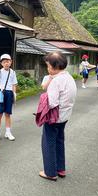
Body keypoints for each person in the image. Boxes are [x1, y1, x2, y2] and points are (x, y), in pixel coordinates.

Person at [39, 52, 77, 181]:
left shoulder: (56, 81)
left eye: (48, 65)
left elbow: (52, 102)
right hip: (65, 116)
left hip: (54, 117)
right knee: (59, 141)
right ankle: (60, 169)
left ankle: (50, 172)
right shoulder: (69, 78)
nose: (47, 68)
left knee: (48, 142)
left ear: (53, 66)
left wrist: (44, 99)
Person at [0, 54, 17, 141]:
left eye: (8, 61)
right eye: (4, 62)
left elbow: (14, 85)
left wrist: (14, 96)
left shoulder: (13, 72)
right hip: (1, 94)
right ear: (1, 63)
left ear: (10, 62)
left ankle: (8, 132)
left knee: (8, 114)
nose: (6, 63)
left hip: (9, 94)